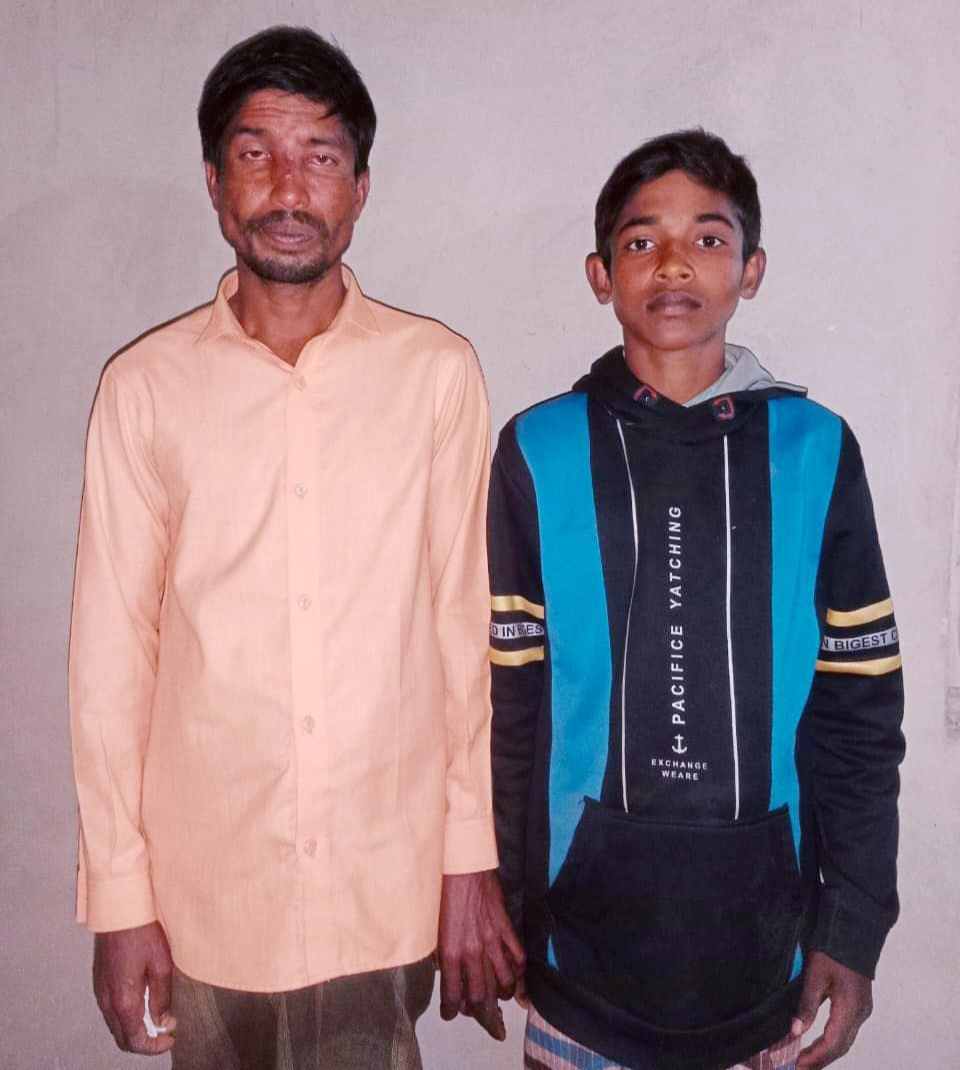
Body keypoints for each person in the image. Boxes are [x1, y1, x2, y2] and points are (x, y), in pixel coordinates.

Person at [69, 25, 521, 1069]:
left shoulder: (434, 373)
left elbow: (463, 629)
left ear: (360, 188)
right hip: (207, 891)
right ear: (215, 184)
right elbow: (109, 660)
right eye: (255, 153)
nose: (286, 186)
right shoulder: (144, 388)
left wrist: (468, 856)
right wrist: (122, 900)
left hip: (380, 882)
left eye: (319, 155)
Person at [488, 129, 904, 1070]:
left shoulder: (816, 451)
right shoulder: (538, 451)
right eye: (642, 241)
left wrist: (852, 926)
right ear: (601, 275)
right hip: (579, 969)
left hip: (763, 970)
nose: (674, 264)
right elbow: (508, 704)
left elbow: (861, 713)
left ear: (751, 269)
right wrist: (499, 896)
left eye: (709, 239)